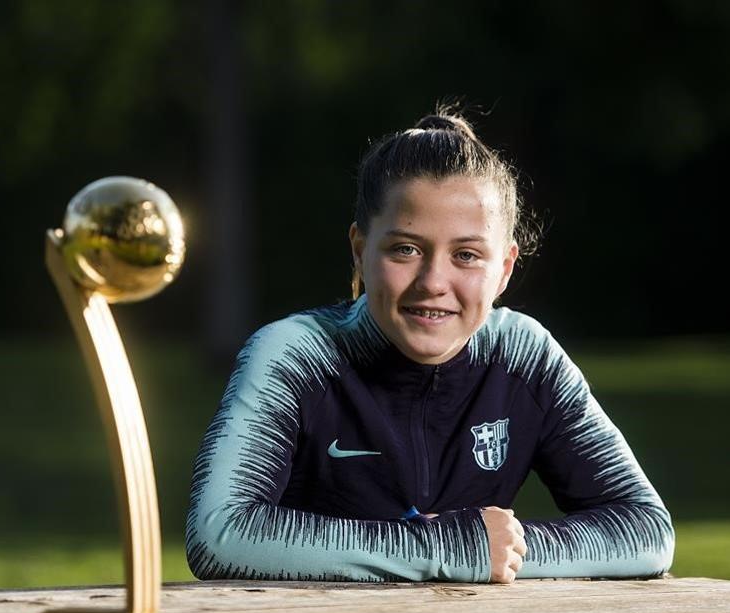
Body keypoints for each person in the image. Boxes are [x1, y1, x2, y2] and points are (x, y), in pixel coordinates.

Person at [186, 108, 674, 583]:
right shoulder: (293, 355)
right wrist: (444, 548)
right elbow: (219, 534)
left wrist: (504, 551)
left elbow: (647, 530)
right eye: (406, 249)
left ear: (504, 268)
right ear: (360, 251)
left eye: (466, 255)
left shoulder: (525, 357)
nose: (433, 281)